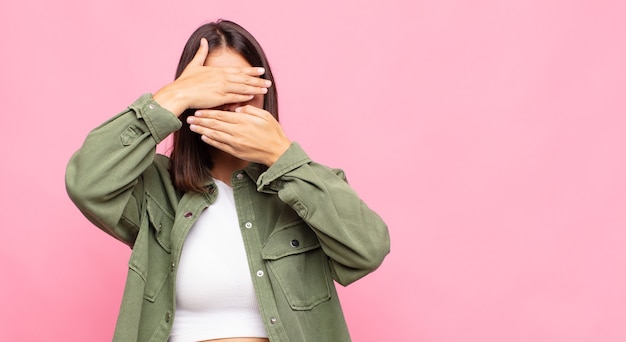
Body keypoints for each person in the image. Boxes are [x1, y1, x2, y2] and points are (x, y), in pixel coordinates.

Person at [66, 19, 390, 342]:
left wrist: (282, 155)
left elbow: (368, 249)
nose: (233, 105)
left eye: (245, 89)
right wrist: (173, 94)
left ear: (266, 95)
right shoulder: (156, 188)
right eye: (217, 90)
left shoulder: (308, 186)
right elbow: (87, 183)